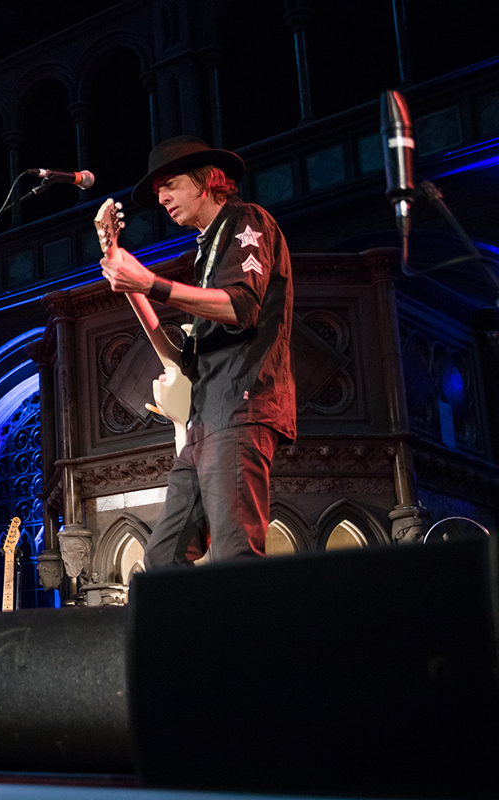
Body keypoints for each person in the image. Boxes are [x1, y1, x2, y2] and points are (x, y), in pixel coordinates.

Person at [100, 135, 296, 566]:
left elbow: (241, 306)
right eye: (158, 193)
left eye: (170, 184)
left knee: (235, 556)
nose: (163, 197)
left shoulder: (248, 221)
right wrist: (130, 281)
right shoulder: (207, 247)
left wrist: (149, 283)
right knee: (163, 561)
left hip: (240, 408)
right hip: (206, 419)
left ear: (206, 180)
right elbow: (180, 357)